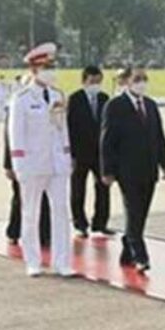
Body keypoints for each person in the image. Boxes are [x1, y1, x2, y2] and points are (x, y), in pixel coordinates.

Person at [9, 42, 74, 277]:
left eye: (52, 66)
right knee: (31, 213)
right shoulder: (22, 98)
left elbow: (62, 129)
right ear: (35, 69)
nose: (51, 71)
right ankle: (33, 260)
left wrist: (67, 157)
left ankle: (62, 261)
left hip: (57, 163)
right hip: (33, 163)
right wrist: (19, 165)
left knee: (61, 212)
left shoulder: (57, 95)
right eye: (47, 67)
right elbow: (16, 134)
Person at [100, 67, 165, 273]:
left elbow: (159, 136)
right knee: (133, 211)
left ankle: (128, 247)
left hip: (149, 169)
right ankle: (140, 255)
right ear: (126, 81)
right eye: (137, 79)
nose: (141, 83)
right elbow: (107, 140)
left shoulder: (150, 105)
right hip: (127, 170)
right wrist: (107, 170)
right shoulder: (115, 106)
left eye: (144, 79)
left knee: (141, 213)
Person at [3, 74, 51, 247]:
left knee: (44, 198)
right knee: (20, 198)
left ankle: (44, 233)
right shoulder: (18, 104)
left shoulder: (48, 102)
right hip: (23, 162)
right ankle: (14, 231)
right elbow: (10, 138)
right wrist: (9, 165)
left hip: (43, 160)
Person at [67, 65, 111, 237]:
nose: (96, 85)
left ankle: (100, 223)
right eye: (93, 81)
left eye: (99, 82)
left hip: (100, 153)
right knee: (78, 188)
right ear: (84, 81)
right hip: (80, 152)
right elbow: (69, 128)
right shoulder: (75, 99)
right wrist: (70, 153)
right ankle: (80, 223)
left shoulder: (104, 98)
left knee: (103, 187)